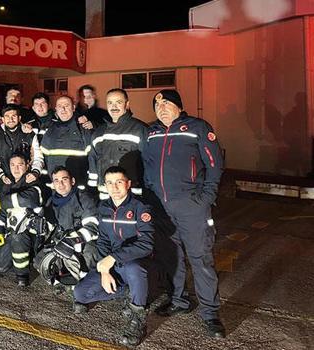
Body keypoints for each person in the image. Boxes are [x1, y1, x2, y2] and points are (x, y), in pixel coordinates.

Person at [142, 89, 226, 338]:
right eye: (157, 105)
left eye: (167, 103)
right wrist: (150, 197)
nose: (162, 108)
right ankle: (179, 301)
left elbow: (214, 164)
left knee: (201, 259)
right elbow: (147, 166)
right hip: (162, 208)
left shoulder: (197, 127)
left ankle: (210, 313)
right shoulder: (152, 132)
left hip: (192, 207)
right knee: (172, 257)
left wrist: (206, 198)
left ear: (179, 106)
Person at [73, 166, 154, 346]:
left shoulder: (141, 207)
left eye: (119, 182)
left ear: (128, 184)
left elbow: (146, 244)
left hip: (135, 263)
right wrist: (104, 270)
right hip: (112, 265)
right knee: (80, 294)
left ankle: (137, 319)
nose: (114, 187)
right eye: (109, 183)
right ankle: (128, 292)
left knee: (134, 269)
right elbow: (103, 240)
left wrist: (112, 259)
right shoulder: (104, 207)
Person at [35, 166, 99, 288]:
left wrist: (72, 241)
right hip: (60, 241)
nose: (61, 184)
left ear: (72, 181)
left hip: (82, 243)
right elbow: (49, 227)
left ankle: (83, 286)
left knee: (91, 254)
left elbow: (92, 227)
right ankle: (59, 283)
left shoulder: (85, 199)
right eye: (56, 181)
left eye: (64, 179)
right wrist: (37, 225)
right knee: (39, 260)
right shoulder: (50, 202)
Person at [0, 153, 45, 286]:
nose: (16, 169)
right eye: (13, 165)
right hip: (12, 233)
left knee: (18, 237)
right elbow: (1, 213)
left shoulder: (33, 182)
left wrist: (3, 201)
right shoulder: (7, 185)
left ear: (27, 165)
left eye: (20, 165)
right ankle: (20, 258)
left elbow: (27, 199)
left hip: (32, 236)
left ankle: (22, 275)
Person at [88, 88, 147, 199]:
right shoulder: (99, 132)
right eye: (110, 103)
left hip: (131, 194)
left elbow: (148, 161)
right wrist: (92, 188)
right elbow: (93, 159)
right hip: (105, 194)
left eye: (118, 102)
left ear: (127, 104)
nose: (113, 107)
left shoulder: (140, 129)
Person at [40, 95, 93, 189]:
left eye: (67, 105)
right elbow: (44, 159)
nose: (63, 109)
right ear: (56, 109)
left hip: (79, 188)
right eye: (60, 106)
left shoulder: (84, 129)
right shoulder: (49, 131)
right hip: (56, 188)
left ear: (73, 108)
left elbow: (92, 159)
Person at [0, 104, 43, 186]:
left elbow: (38, 157)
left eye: (14, 116)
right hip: (4, 179)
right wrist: (1, 175)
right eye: (7, 116)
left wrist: (35, 172)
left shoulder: (29, 133)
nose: (10, 119)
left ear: (19, 118)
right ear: (3, 119)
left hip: (27, 179)